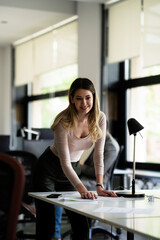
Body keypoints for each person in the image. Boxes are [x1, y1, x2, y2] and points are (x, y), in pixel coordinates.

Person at [32, 77, 117, 240]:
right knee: (47, 226)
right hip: (48, 168)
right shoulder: (63, 121)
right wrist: (83, 191)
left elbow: (99, 155)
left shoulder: (100, 118)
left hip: (72, 169)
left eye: (87, 98)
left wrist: (99, 186)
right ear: (71, 98)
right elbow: (64, 162)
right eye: (78, 98)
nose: (84, 103)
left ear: (93, 97)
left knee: (81, 225)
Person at [80, 126, 120, 190]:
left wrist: (80, 167)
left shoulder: (111, 146)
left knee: (70, 184)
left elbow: (97, 172)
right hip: (87, 178)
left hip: (95, 182)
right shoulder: (101, 141)